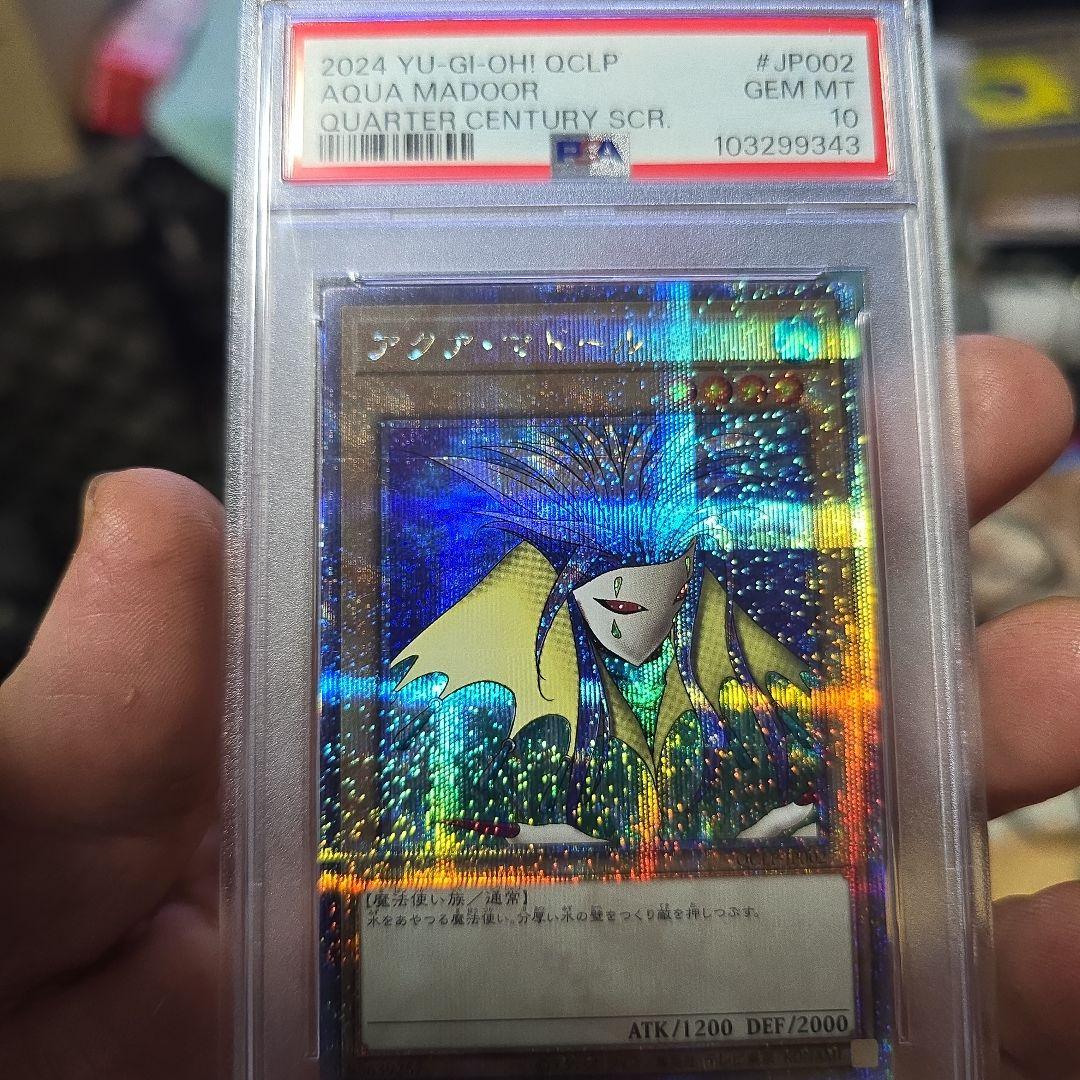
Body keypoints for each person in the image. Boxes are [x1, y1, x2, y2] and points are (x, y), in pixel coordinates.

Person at [0, 336, 1075, 1079]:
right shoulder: (491, 700)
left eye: (649, 581)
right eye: (599, 584)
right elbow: (451, 831)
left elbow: (799, 804)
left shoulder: (757, 691)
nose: (624, 606)